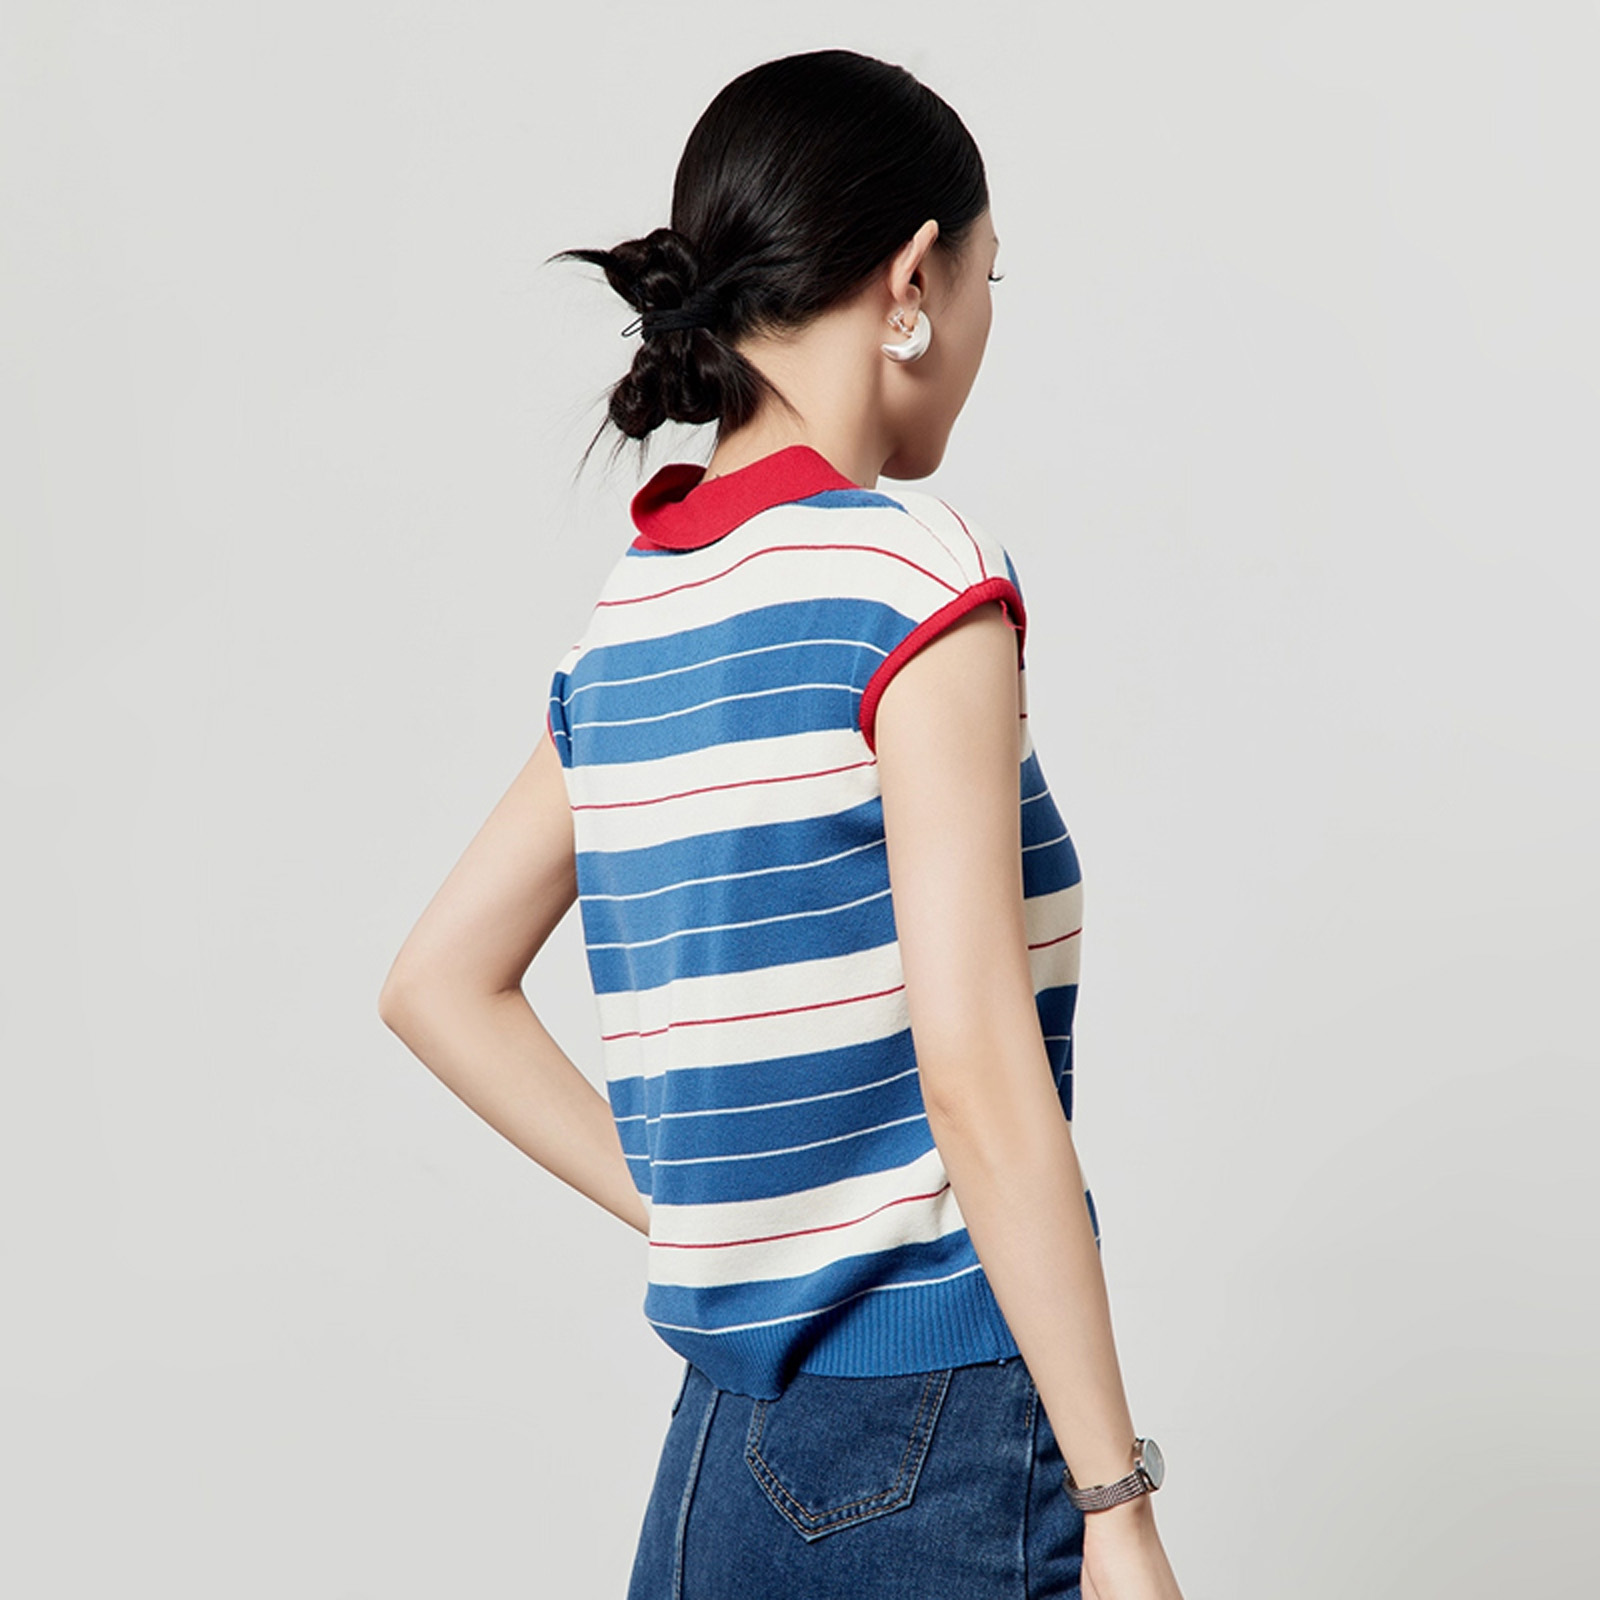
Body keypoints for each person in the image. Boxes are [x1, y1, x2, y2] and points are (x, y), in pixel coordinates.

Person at [379, 47, 1186, 1600]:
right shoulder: (914, 576)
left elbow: (435, 982)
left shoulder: (635, 620)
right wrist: (1117, 1497)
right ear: (913, 282)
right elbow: (978, 1067)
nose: (987, 320)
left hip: (717, 1455)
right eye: (990, 276)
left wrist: (718, 1216)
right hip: (942, 1428)